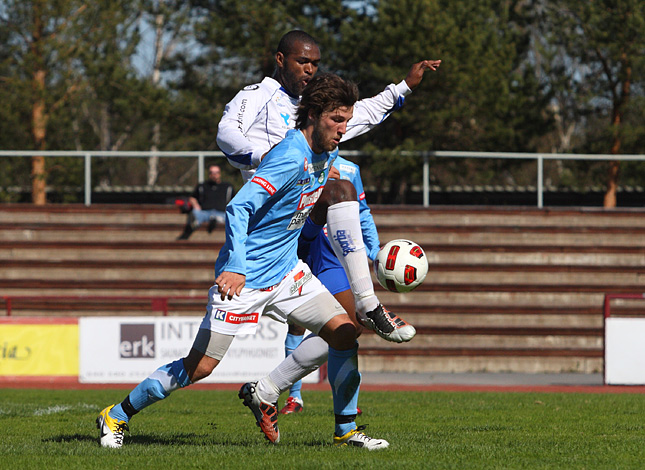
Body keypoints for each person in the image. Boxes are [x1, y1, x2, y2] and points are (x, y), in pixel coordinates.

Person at [97, 73, 388, 450]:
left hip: (287, 273)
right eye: (337, 119)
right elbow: (238, 207)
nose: (343, 128)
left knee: (345, 333)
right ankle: (116, 415)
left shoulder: (328, 150)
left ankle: (345, 430)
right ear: (313, 114)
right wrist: (234, 265)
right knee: (199, 367)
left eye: (347, 120)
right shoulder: (289, 155)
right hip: (246, 276)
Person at [216, 30, 440, 413]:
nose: (310, 68)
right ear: (280, 59)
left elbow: (362, 114)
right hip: (275, 225)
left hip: (314, 220)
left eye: (316, 63)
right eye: (303, 61)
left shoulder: (316, 109)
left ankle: (337, 423)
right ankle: (291, 386)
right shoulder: (256, 96)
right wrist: (269, 158)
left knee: (347, 327)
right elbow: (226, 134)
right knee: (204, 361)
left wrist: (403, 87)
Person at [177, 164, 235, 240]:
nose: (214, 175)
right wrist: (196, 205)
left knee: (225, 217)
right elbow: (192, 198)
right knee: (195, 213)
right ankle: (190, 228)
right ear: (209, 174)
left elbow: (234, 200)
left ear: (220, 174)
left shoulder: (228, 187)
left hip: (221, 213)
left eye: (216, 173)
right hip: (204, 212)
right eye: (212, 173)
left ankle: (213, 222)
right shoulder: (202, 186)